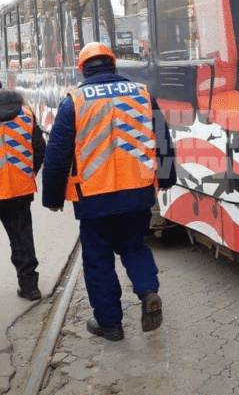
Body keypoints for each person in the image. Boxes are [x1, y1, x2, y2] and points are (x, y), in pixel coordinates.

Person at [42, 43, 177, 342]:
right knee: (134, 246)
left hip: (94, 198)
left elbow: (57, 155)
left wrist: (52, 199)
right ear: (114, 65)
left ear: (82, 69)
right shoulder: (142, 94)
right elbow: (163, 140)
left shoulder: (74, 102)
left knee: (98, 257)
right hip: (138, 192)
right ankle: (148, 291)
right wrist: (166, 179)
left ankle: (110, 324)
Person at [0, 83, 46, 301]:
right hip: (19, 189)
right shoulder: (25, 113)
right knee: (22, 237)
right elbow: (39, 149)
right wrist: (29, 173)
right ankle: (30, 287)